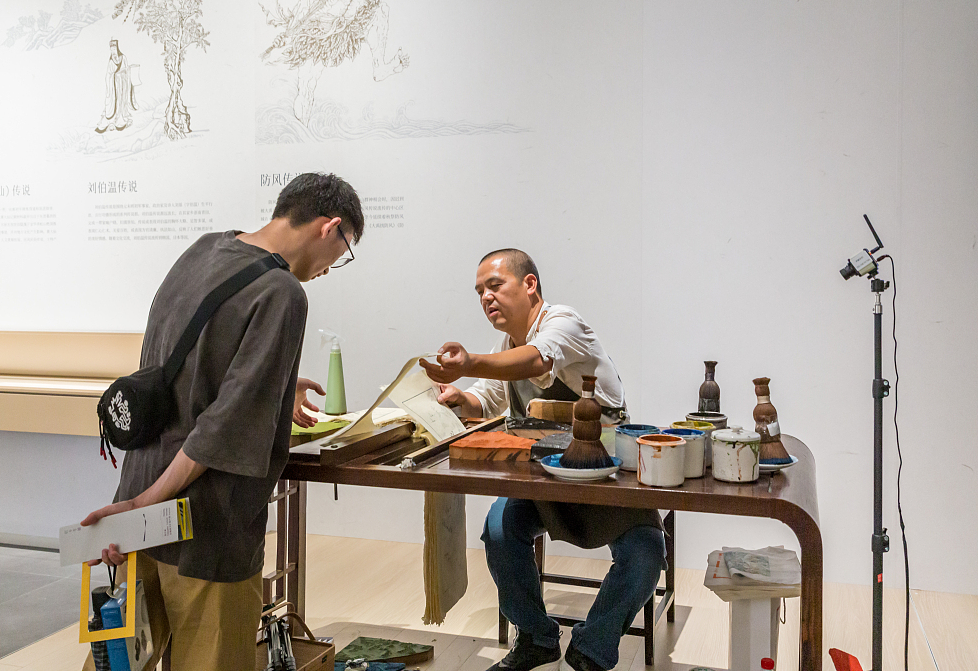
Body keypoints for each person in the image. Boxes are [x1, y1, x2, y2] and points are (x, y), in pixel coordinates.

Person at [80, 172, 364, 671]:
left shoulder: (205, 249)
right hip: (207, 518)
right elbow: (225, 425)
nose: (328, 269)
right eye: (343, 255)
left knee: (124, 660)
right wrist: (151, 501)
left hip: (144, 491)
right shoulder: (283, 292)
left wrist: (140, 500)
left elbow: (177, 361)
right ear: (330, 227)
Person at [420, 249, 665, 671]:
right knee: (499, 530)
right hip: (540, 480)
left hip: (603, 476)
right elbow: (491, 395)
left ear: (529, 284)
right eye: (480, 291)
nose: (486, 297)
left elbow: (537, 360)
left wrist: (472, 362)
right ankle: (536, 637)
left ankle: (593, 646)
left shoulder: (563, 323)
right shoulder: (507, 345)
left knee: (646, 553)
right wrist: (462, 397)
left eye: (494, 286)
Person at [95, 39, 137, 133]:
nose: (113, 51)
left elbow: (127, 69)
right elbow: (108, 75)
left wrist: (125, 73)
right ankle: (111, 121)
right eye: (111, 50)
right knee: (114, 102)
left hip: (123, 84)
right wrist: (114, 76)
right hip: (114, 86)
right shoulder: (111, 62)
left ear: (117, 49)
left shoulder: (123, 58)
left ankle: (120, 121)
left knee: (121, 102)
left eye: (114, 49)